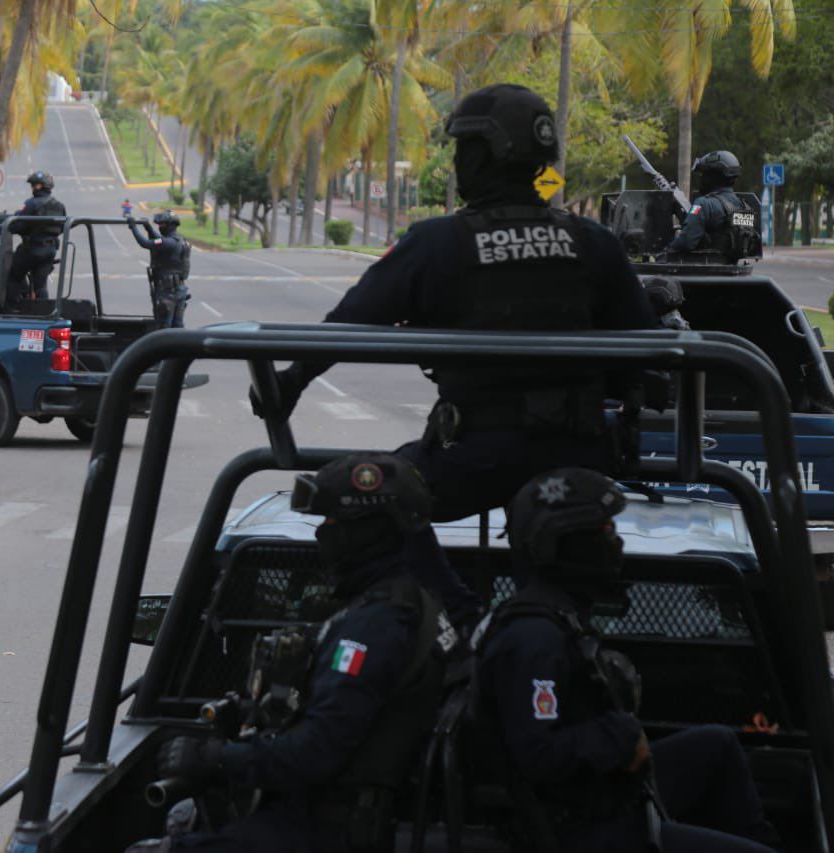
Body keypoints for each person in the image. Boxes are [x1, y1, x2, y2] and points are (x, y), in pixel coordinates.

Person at [249, 83, 659, 628]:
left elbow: (349, 322)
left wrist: (290, 383)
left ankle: (465, 624)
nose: (459, 161)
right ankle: (544, 623)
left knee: (380, 495)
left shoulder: (439, 243)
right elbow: (647, 357)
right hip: (580, 456)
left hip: (474, 454)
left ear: (490, 155)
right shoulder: (593, 242)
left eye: (465, 149)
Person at [136, 453, 451, 852]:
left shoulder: (377, 624)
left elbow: (317, 750)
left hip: (323, 829)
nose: (322, 534)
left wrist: (214, 757)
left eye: (332, 522)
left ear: (367, 531)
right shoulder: (404, 603)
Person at [475, 468, 781, 853]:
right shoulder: (535, 639)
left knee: (717, 746)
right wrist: (618, 736)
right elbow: (537, 755)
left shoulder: (560, 617)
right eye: (605, 532)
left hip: (604, 799)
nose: (617, 544)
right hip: (579, 831)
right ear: (564, 543)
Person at [665, 151, 751, 259]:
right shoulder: (745, 207)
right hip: (733, 268)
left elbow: (686, 242)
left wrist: (667, 249)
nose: (701, 178)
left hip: (704, 269)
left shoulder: (703, 204)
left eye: (704, 174)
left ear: (714, 176)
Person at [5, 170, 66, 308]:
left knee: (14, 278)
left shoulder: (32, 204)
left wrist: (7, 222)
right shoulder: (59, 206)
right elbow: (62, 228)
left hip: (31, 249)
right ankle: (43, 312)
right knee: (41, 284)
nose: (32, 188)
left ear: (39, 186)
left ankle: (11, 310)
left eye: (33, 185)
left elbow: (17, 226)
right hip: (50, 251)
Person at [129, 211, 192, 328]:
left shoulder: (167, 242)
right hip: (179, 290)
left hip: (168, 293)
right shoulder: (181, 241)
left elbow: (145, 243)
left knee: (164, 327)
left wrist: (133, 227)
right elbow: (161, 241)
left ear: (171, 225)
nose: (160, 227)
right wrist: (148, 228)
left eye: (163, 225)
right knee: (177, 326)